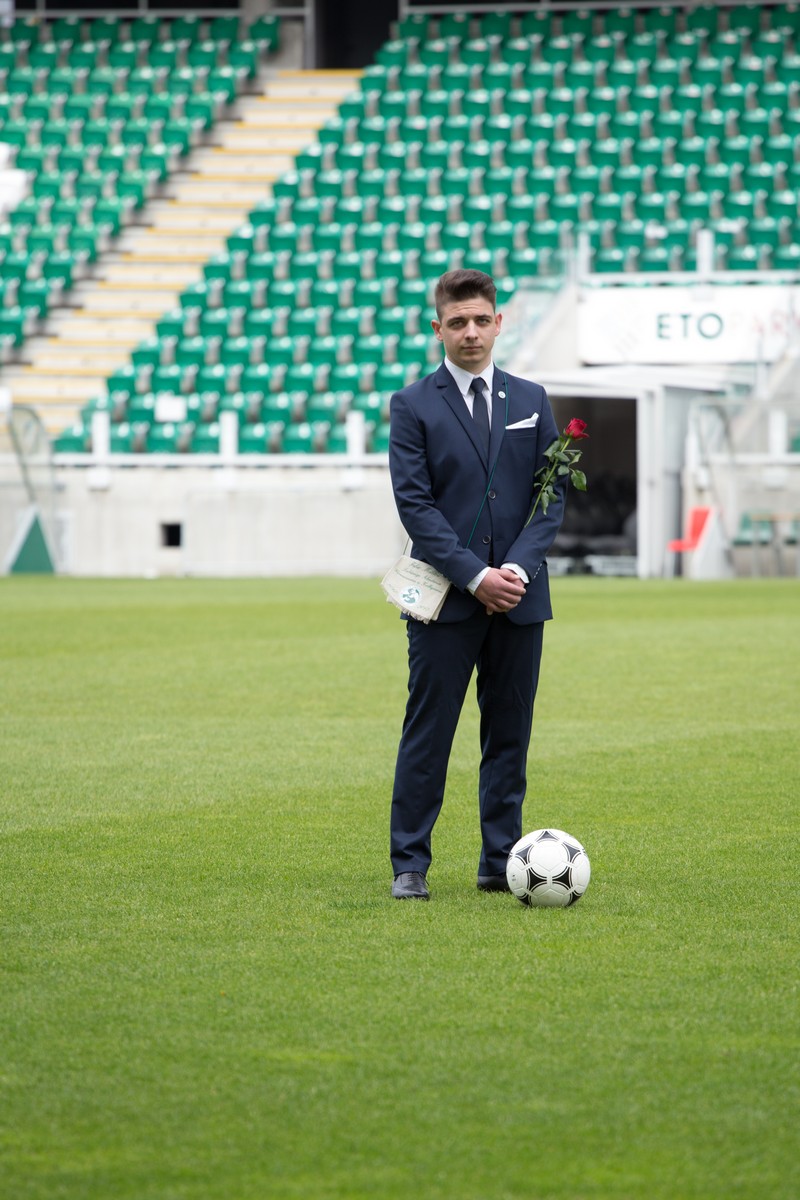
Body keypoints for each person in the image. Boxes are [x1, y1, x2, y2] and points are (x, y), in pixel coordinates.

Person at [387, 269, 566, 900]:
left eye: (481, 320)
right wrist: (475, 575)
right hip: (446, 601)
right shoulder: (412, 404)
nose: (470, 332)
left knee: (509, 736)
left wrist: (514, 570)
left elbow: (550, 497)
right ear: (437, 328)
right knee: (428, 733)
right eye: (457, 322)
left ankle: (500, 861)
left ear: (499, 323)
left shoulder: (532, 399)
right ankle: (410, 863)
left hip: (520, 597)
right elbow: (416, 507)